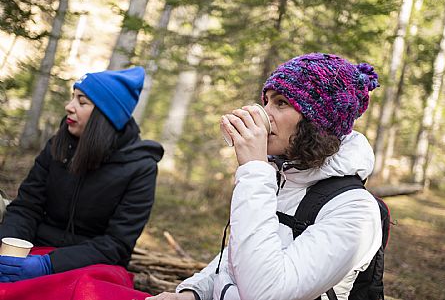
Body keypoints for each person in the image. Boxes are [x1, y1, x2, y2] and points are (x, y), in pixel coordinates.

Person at [150, 53, 382, 300]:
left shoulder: (355, 209)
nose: (265, 113)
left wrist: (254, 168)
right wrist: (192, 293)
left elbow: (266, 293)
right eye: (267, 101)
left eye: (281, 103)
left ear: (317, 121)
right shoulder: (286, 176)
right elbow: (239, 258)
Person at [0, 66, 164, 283]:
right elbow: (27, 206)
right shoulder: (58, 144)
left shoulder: (140, 167)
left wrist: (49, 265)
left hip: (89, 264)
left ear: (105, 114)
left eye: (82, 101)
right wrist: (10, 250)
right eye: (72, 98)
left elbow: (117, 243)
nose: (69, 107)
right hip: (35, 245)